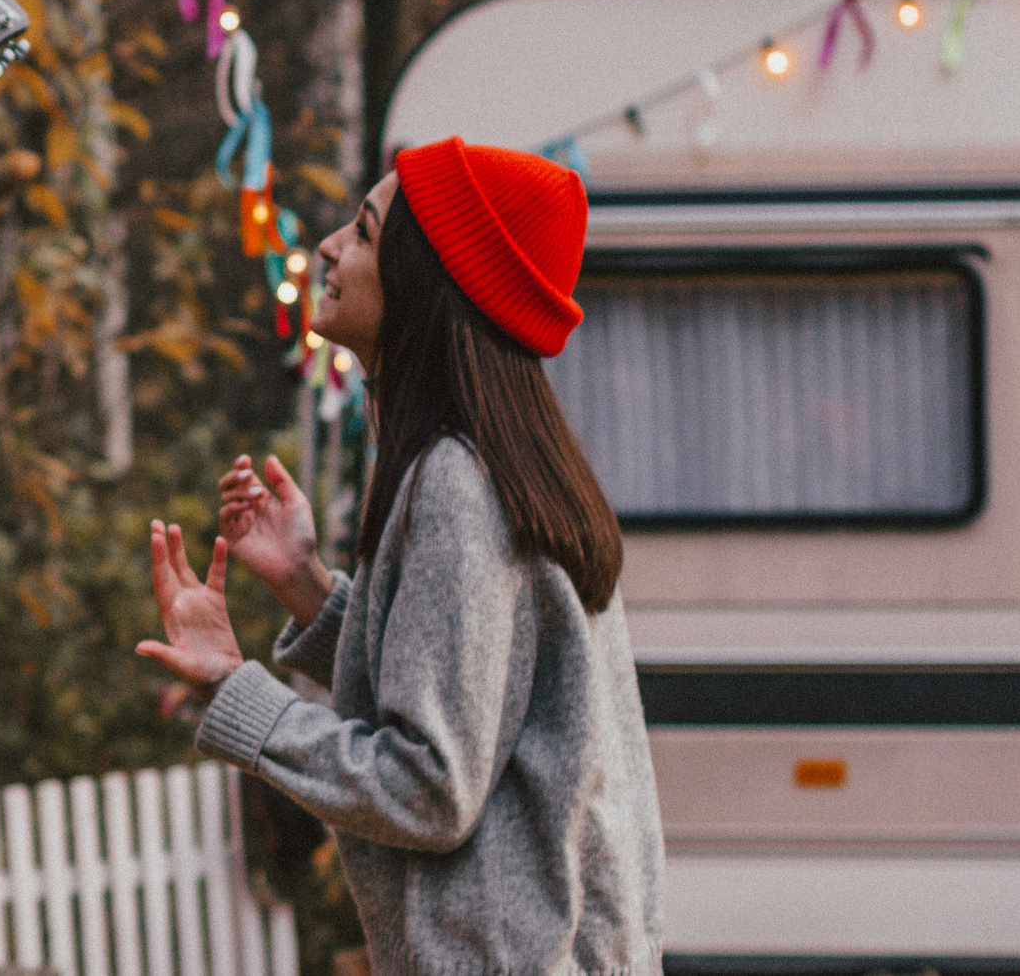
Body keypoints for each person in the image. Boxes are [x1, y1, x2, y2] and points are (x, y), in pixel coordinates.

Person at [137, 137, 664, 973]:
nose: (328, 247)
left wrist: (236, 690)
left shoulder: (458, 480)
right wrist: (309, 588)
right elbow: (477, 688)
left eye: (364, 231)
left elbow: (431, 784)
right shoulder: (507, 466)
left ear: (428, 279)